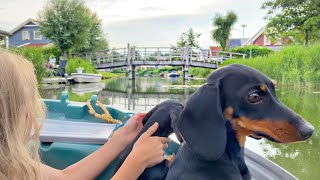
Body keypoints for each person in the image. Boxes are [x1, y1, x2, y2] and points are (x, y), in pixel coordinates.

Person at [0, 50, 169, 180]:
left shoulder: (10, 164)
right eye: (28, 106)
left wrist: (123, 137)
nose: (34, 113)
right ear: (7, 120)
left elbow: (67, 177)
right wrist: (136, 162)